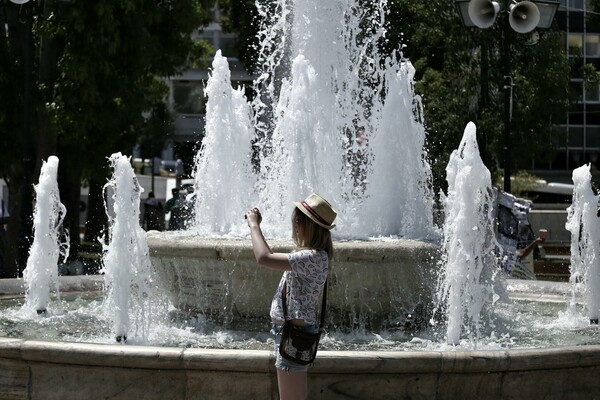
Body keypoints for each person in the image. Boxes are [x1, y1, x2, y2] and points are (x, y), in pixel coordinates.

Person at [245, 193, 336, 400]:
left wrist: (254, 225)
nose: (294, 225)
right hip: (292, 333)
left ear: (303, 225)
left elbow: (263, 257)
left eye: (296, 220)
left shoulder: (312, 257)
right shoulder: (313, 255)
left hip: (295, 335)